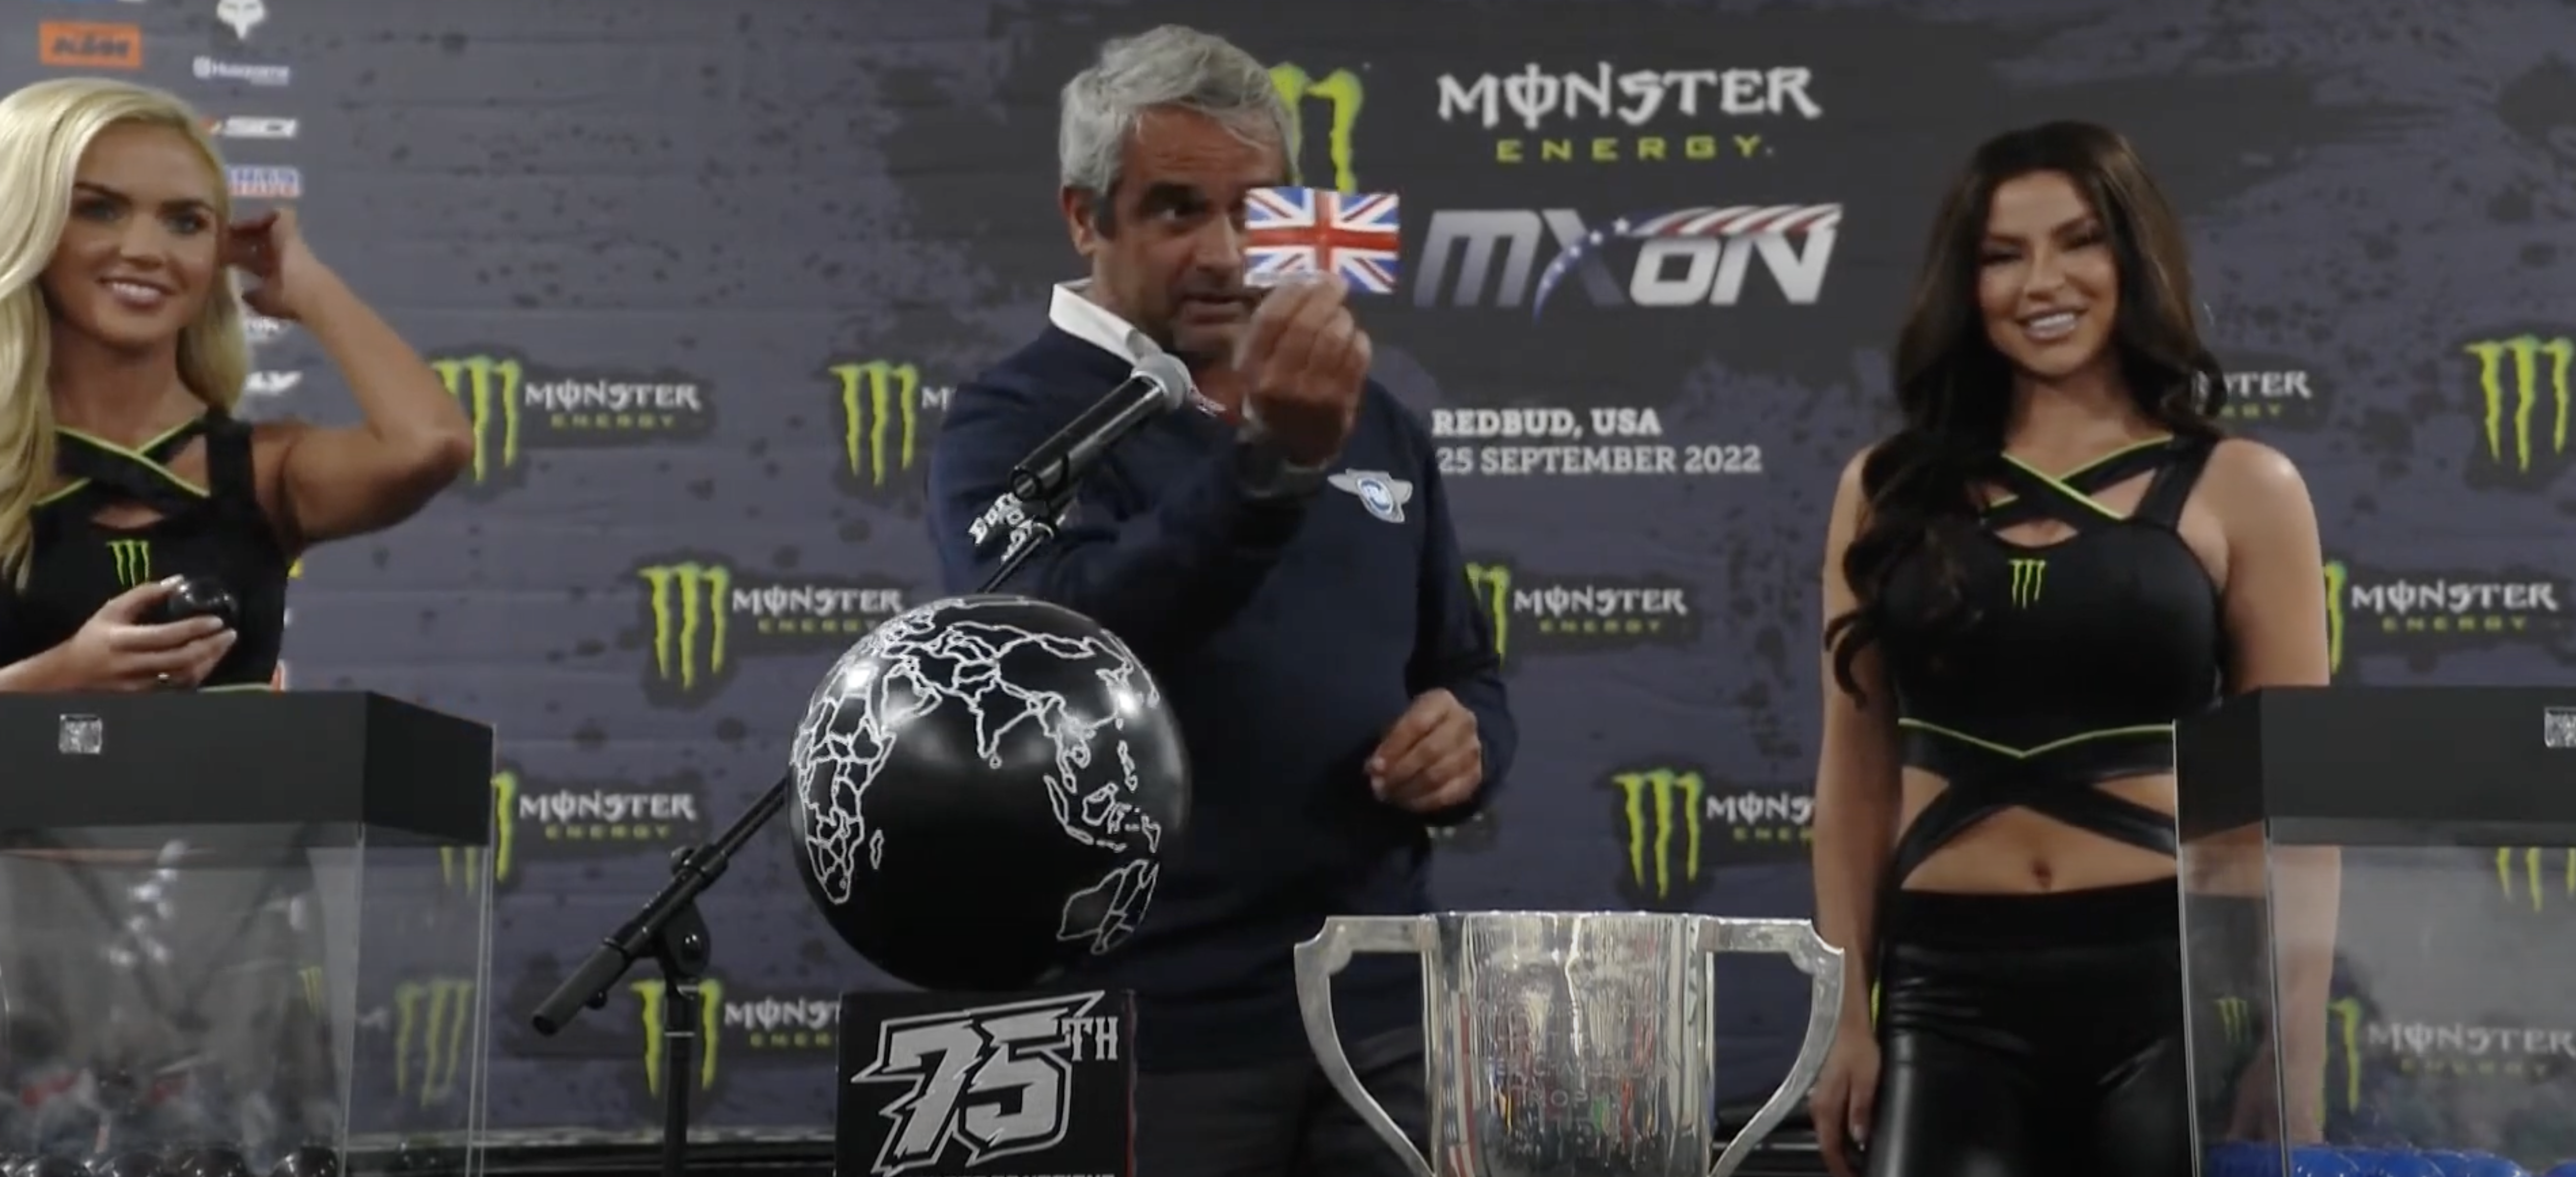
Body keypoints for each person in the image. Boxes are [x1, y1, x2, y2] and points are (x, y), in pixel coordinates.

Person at [924, 24, 1516, 1177]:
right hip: (1151, 1027)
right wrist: (1271, 469)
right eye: (1176, 209)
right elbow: (1054, 657)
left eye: (1254, 210)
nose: (1225, 252)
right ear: (1085, 218)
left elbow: (1464, 669)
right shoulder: (1009, 424)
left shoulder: (1370, 417)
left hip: (1384, 1009)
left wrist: (1468, 742)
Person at [1802, 121, 2334, 1177]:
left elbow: (2295, 801)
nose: (2042, 282)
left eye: (2078, 241)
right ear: (1966, 285)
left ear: (2133, 256)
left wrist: (2296, 1045)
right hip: (1945, 992)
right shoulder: (1887, 490)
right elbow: (1856, 780)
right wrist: (1841, 1016)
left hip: (2168, 989)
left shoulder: (2243, 486)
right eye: (2003, 254)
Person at [0, 76, 471, 695]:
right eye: (100, 210)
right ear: (24, 219)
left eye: (186, 222)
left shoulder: (265, 469)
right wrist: (56, 679)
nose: (147, 250)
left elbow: (430, 444)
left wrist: (307, 285)